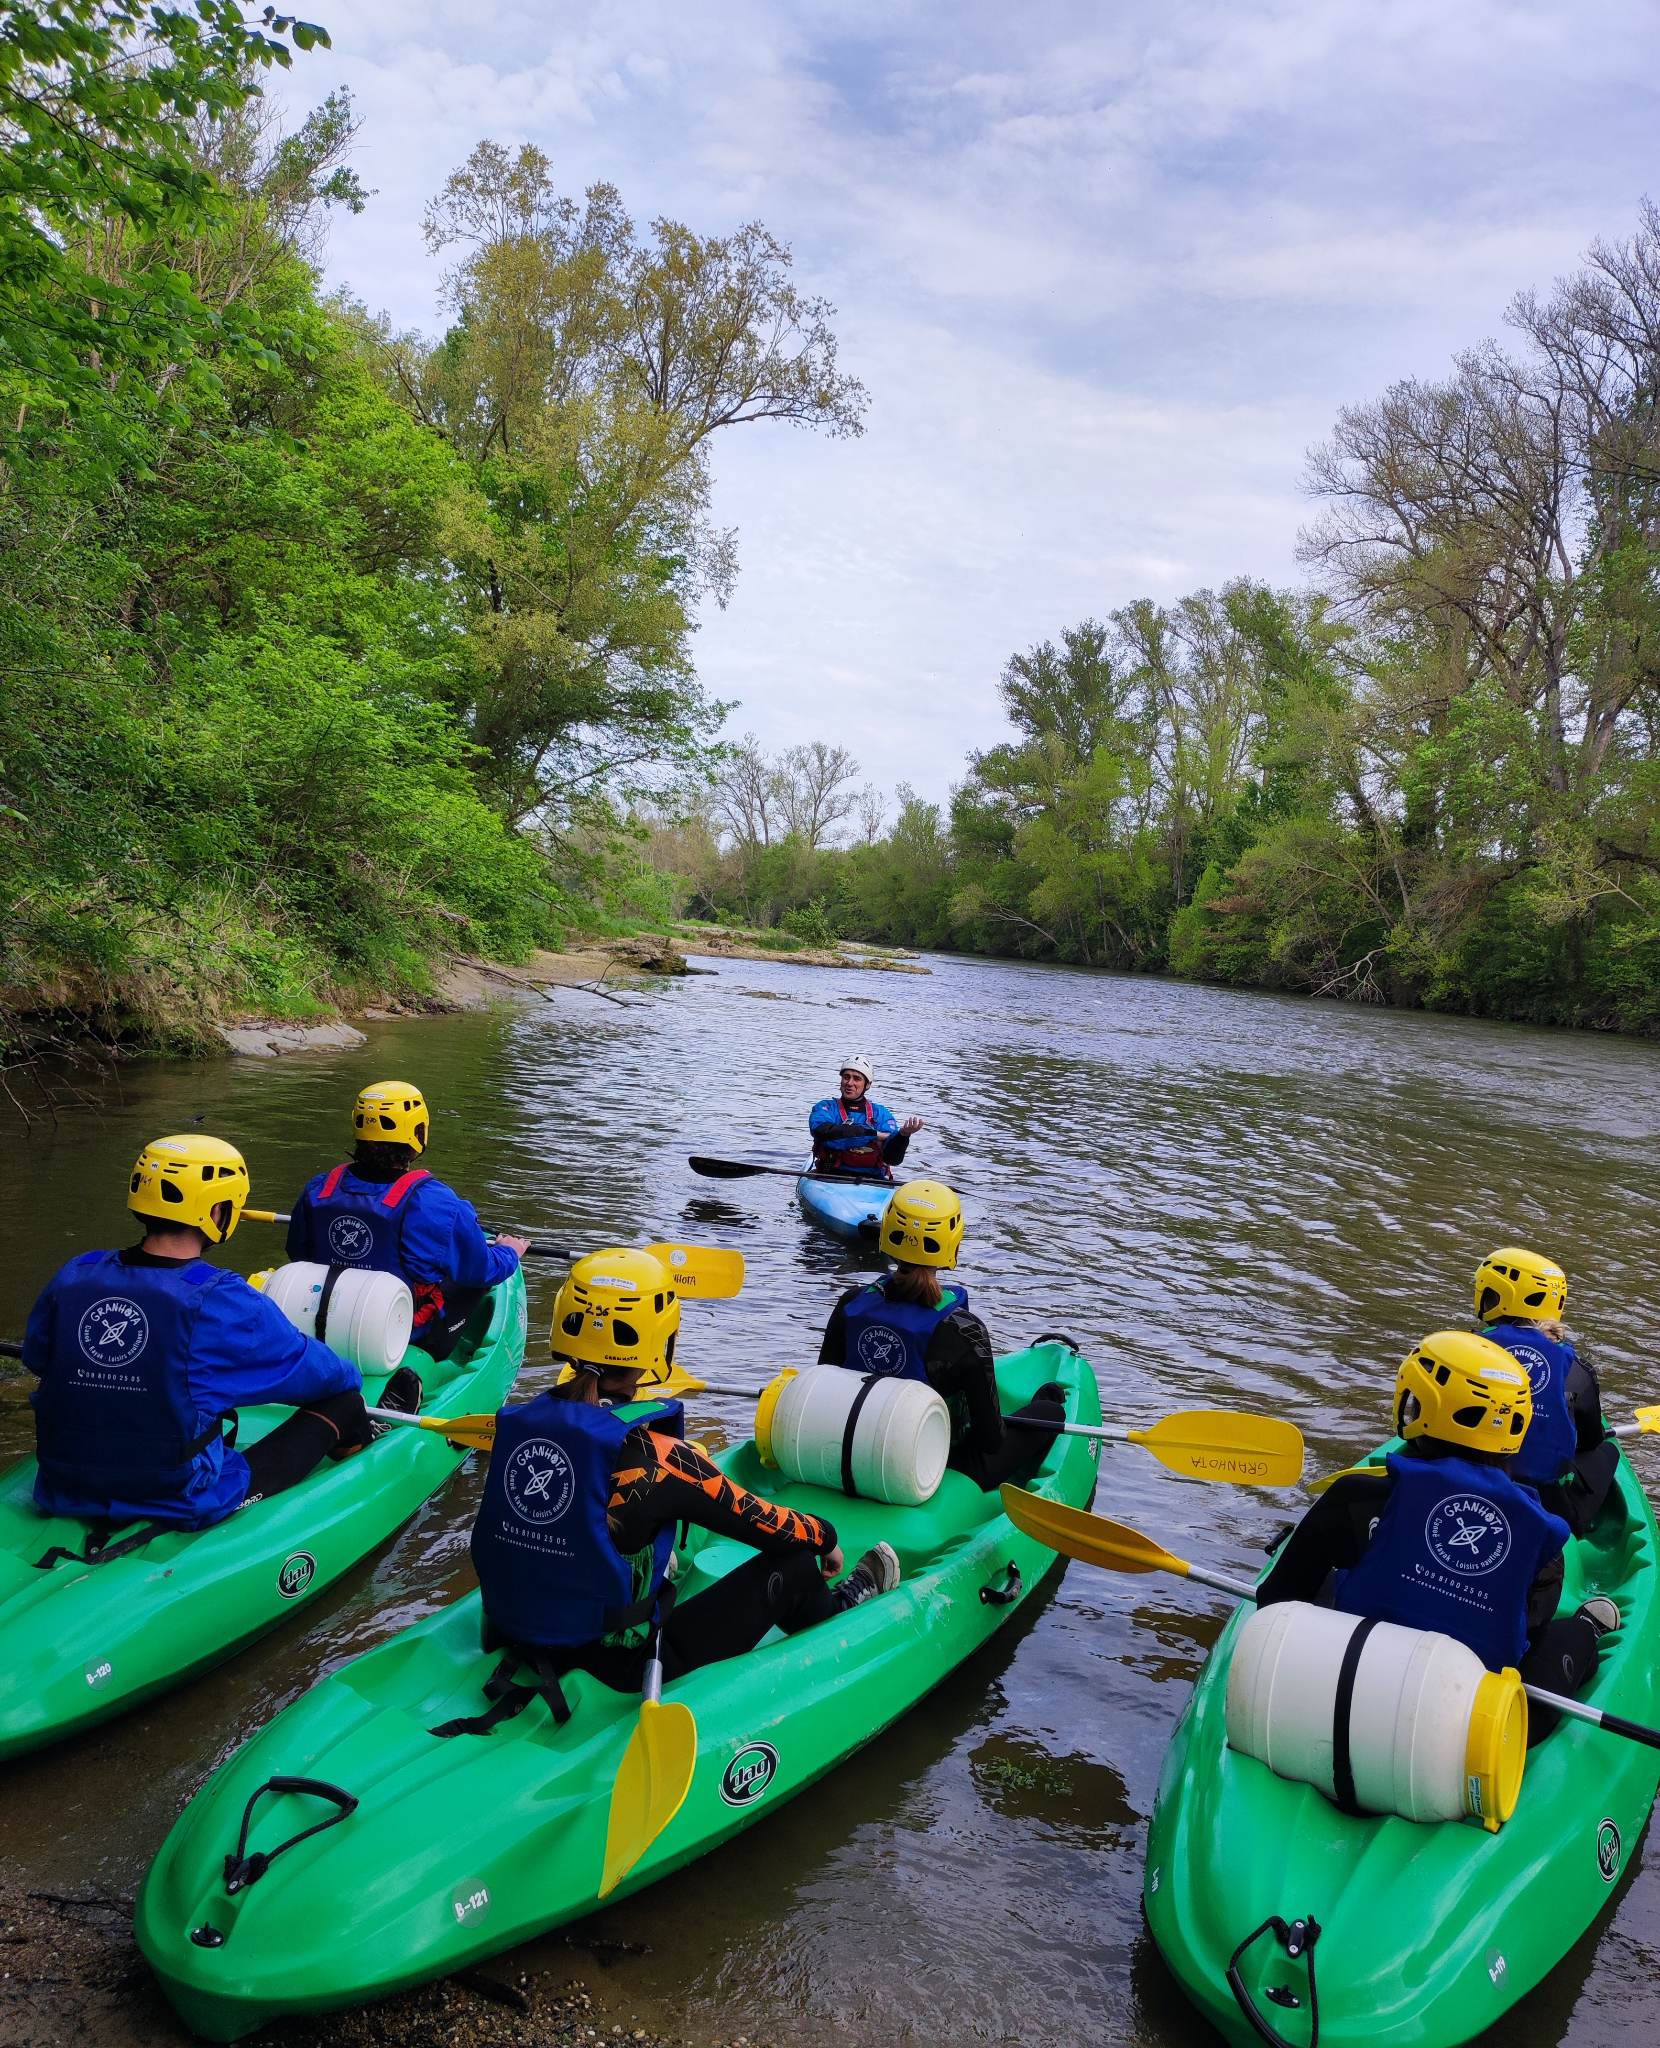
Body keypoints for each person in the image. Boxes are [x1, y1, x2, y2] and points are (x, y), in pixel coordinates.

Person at [463, 1249, 901, 1722]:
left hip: (512, 1631)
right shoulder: (663, 1461)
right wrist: (826, 1537)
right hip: (616, 1664)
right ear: (660, 1345)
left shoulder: (517, 1422)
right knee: (795, 1564)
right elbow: (766, 1523)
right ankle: (838, 1608)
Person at [23, 1134, 416, 1534]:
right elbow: (322, 1374)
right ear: (218, 1210)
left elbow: (38, 1357)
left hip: (63, 1481)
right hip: (177, 1493)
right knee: (345, 1400)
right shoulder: (220, 1296)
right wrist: (349, 1374)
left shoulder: (75, 1273)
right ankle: (363, 1450)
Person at [1259, 1330, 1617, 1732]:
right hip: (1463, 1728)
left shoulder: (1355, 1497)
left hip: (1343, 1685)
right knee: (1567, 1638)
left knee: (1325, 1580)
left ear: (1422, 1407)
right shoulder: (1545, 1538)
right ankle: (1589, 1627)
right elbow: (1525, 1635)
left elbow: (1273, 1600)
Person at [817, 1180, 1067, 1491]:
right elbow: (990, 1439)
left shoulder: (850, 1303)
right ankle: (1048, 1402)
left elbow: (823, 1384)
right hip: (928, 1465)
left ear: (887, 1234)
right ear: (953, 1245)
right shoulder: (965, 1329)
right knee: (1050, 1410)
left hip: (852, 1449)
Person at [287, 1081, 529, 1362]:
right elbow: (482, 1270)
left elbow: (298, 1253)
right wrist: (509, 1252)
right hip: (400, 1330)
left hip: (323, 1317)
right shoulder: (436, 1202)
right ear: (418, 1133)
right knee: (472, 1281)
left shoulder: (319, 1189)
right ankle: (424, 1365)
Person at [1474, 1247, 1616, 1536]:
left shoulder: (1464, 1350)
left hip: (1470, 1478)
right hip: (1544, 1501)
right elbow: (1589, 1441)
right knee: (1608, 1451)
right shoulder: (1577, 1369)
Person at [807, 1056, 922, 1179]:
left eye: (856, 1079)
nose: (849, 1083)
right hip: (830, 1176)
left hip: (873, 1181)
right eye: (846, 1077)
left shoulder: (881, 1114)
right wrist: (874, 1135)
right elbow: (823, 1133)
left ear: (867, 1085)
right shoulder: (825, 1108)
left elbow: (892, 1159)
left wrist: (903, 1136)